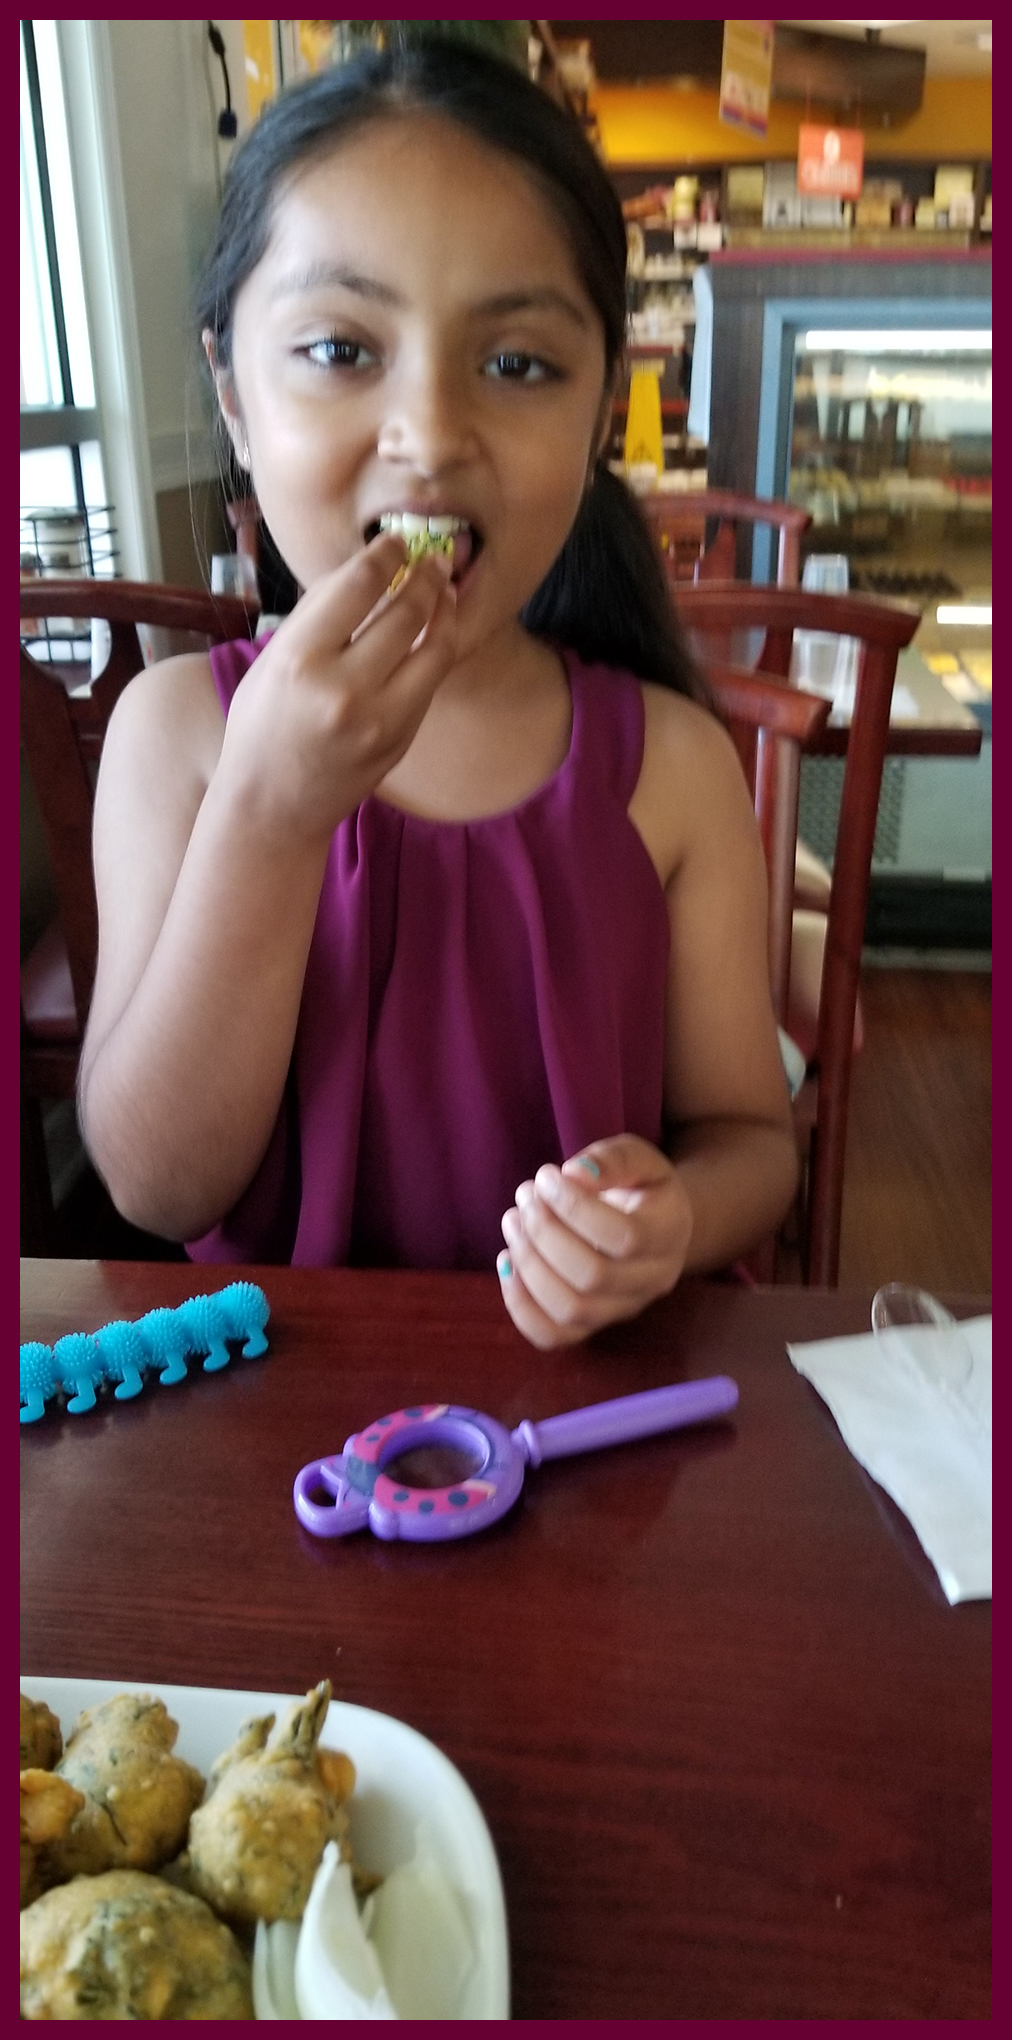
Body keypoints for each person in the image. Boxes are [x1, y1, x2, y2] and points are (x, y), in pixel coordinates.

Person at [79, 38, 797, 1350]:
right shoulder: (173, 735)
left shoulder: (675, 765)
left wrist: (674, 1218)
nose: (429, 434)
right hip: (278, 1417)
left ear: (600, 412)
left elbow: (754, 1140)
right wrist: (270, 811)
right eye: (340, 348)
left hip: (596, 1409)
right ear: (234, 396)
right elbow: (159, 1186)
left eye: (516, 364)